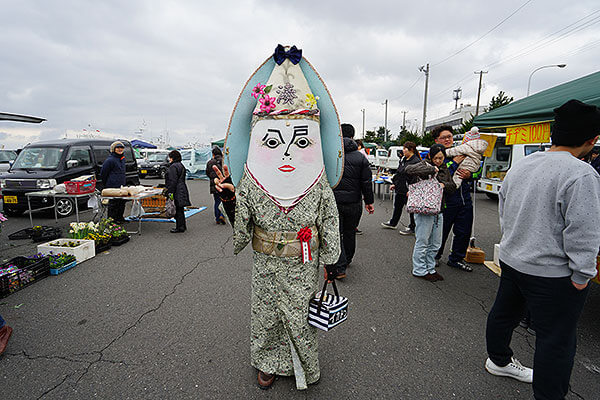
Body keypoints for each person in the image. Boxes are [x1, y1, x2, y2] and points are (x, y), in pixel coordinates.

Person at [218, 45, 342, 390]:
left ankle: (302, 364)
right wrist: (230, 199)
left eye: (300, 143)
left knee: (300, 314)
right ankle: (266, 362)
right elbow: (242, 220)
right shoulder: (253, 185)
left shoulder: (318, 185)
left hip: (304, 261)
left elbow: (330, 221)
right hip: (266, 260)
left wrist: (332, 259)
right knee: (267, 313)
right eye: (272, 142)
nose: (286, 151)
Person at [485, 99, 600, 400]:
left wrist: (513, 241)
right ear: (592, 139)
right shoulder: (582, 174)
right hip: (552, 274)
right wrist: (583, 274)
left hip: (513, 259)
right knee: (556, 341)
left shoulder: (523, 165)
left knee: (504, 313)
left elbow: (504, 211)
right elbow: (584, 230)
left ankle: (498, 359)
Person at [404, 144, 456, 281]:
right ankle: (419, 269)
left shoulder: (445, 169)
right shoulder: (423, 166)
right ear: (430, 156)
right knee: (422, 241)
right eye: (436, 158)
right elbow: (408, 170)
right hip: (423, 210)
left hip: (439, 210)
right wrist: (431, 169)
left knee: (436, 243)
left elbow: (453, 186)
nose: (438, 161)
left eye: (441, 158)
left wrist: (443, 185)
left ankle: (430, 268)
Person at [432, 125, 479, 272]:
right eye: (443, 137)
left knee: (464, 231)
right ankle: (434, 256)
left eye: (449, 137)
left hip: (465, 199)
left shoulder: (464, 152)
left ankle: (456, 259)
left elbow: (478, 171)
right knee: (441, 231)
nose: (447, 139)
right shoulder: (436, 155)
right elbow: (439, 174)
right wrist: (455, 163)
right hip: (446, 201)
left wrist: (470, 176)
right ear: (436, 140)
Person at [332, 123, 375, 280]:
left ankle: (340, 266)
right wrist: (369, 201)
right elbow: (366, 182)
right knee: (350, 232)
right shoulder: (361, 157)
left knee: (337, 234)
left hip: (334, 202)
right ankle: (348, 259)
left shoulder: (333, 154)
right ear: (353, 136)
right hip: (354, 203)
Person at [381, 141, 421, 234]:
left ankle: (413, 227)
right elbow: (399, 173)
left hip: (409, 190)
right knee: (397, 206)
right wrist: (395, 183)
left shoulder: (416, 161)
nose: (403, 150)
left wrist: (412, 190)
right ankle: (393, 223)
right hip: (400, 188)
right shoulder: (404, 159)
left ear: (411, 150)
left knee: (411, 209)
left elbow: (416, 178)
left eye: (404, 149)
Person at [100, 141, 127, 223]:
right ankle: (112, 220)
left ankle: (120, 218)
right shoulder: (110, 160)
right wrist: (107, 184)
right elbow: (103, 173)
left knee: (121, 202)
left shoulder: (122, 159)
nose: (120, 149)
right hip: (112, 185)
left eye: (121, 148)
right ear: (113, 149)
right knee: (113, 204)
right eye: (118, 148)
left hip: (121, 185)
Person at [165, 150, 191, 233]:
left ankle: (179, 227)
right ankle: (182, 225)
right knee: (180, 209)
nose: (169, 159)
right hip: (182, 188)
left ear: (172, 157)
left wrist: (170, 193)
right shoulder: (181, 165)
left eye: (170, 157)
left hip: (176, 190)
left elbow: (172, 181)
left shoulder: (173, 167)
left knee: (177, 208)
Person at [206, 146, 226, 225]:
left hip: (214, 184)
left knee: (217, 201)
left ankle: (218, 218)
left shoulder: (210, 162)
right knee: (224, 200)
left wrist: (212, 178)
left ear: (213, 154)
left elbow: (207, 173)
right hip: (224, 183)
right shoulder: (224, 161)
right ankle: (222, 215)